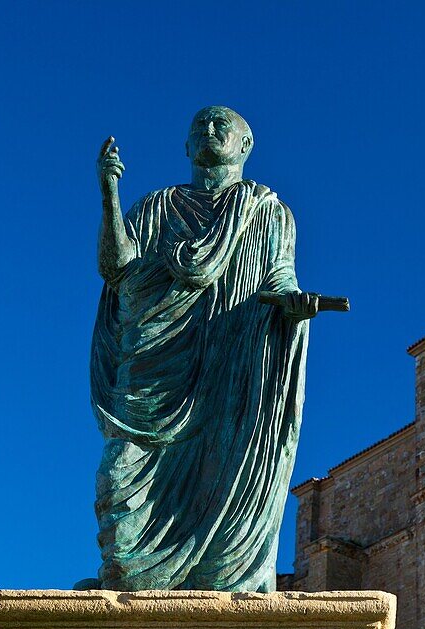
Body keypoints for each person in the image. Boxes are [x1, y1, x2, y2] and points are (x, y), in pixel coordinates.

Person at [82, 106, 318, 591]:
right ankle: (128, 578)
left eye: (220, 126)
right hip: (154, 366)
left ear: (245, 146)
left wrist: (293, 304)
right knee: (118, 472)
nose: (208, 132)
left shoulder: (268, 213)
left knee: (226, 473)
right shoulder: (156, 206)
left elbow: (279, 277)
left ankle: (226, 578)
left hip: (232, 369)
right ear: (187, 148)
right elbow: (117, 269)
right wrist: (110, 193)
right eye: (199, 128)